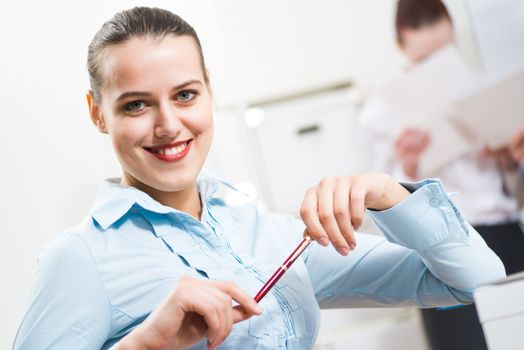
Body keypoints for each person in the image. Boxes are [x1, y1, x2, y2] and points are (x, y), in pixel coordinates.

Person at [13, 7, 505, 350]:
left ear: (209, 90)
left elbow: (476, 280)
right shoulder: (79, 260)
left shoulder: (267, 233)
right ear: (98, 114)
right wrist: (146, 345)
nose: (167, 125)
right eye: (136, 104)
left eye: (185, 95)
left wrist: (387, 193)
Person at [358, 1, 524, 349]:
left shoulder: (482, 88)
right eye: (424, 63)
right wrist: (407, 166)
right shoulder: (380, 115)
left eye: (445, 56)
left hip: (508, 236)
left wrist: (507, 158)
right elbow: (376, 214)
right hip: (444, 249)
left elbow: (512, 192)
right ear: (400, 45)